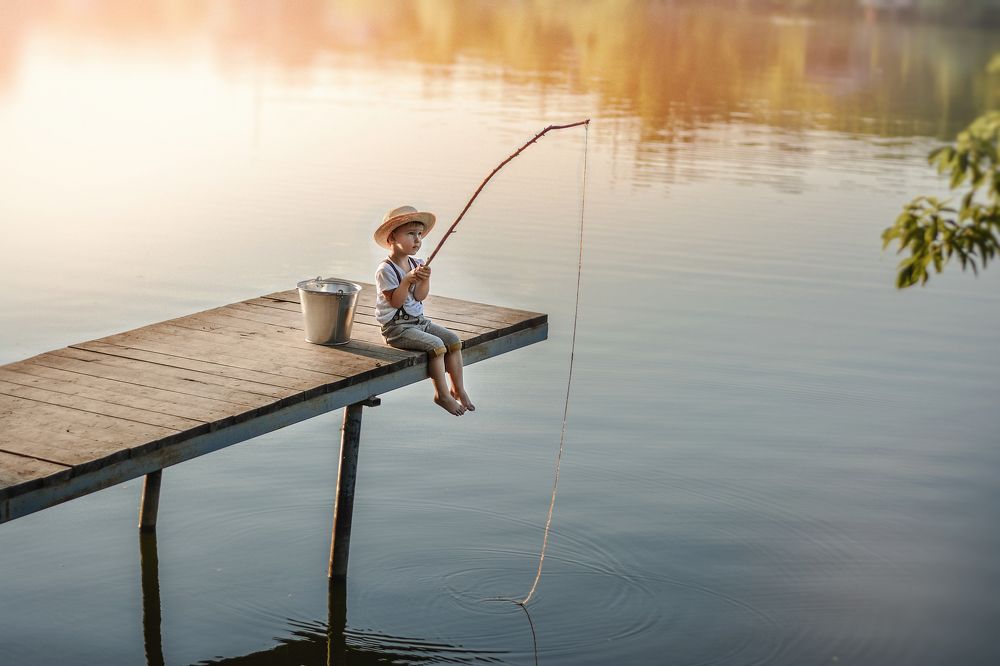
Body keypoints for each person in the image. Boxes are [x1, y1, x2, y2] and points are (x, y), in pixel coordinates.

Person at [374, 205, 475, 416]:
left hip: (418, 321)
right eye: (410, 234)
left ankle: (459, 389)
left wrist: (423, 279)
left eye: (419, 234)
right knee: (436, 345)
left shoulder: (416, 263)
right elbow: (395, 302)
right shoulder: (386, 270)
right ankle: (442, 394)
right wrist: (406, 280)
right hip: (397, 329)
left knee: (453, 340)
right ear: (391, 238)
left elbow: (419, 296)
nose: (417, 240)